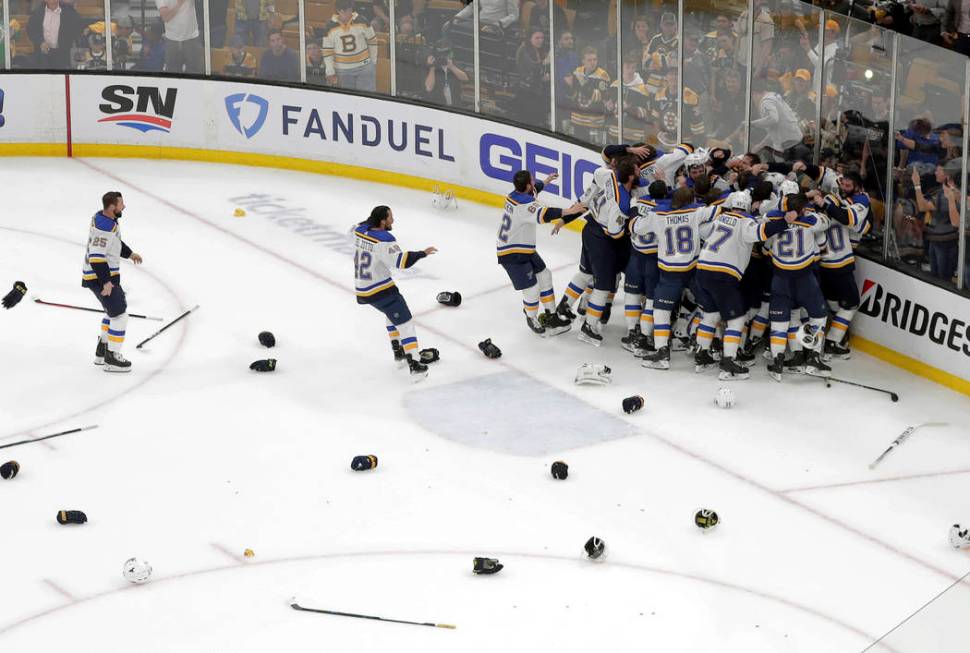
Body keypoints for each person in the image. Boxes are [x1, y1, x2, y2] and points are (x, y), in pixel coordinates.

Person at [695, 191, 793, 379]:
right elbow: (762, 233)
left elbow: (702, 231)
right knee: (737, 320)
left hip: (702, 270)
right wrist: (785, 222)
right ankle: (728, 363)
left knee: (710, 315)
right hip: (723, 275)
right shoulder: (746, 222)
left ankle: (702, 356)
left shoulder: (721, 217)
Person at [633, 185, 718, 369]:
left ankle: (662, 353)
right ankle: (702, 351)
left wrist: (634, 213)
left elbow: (637, 228)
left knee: (661, 311)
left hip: (669, 272)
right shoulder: (697, 211)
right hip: (693, 270)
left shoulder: (658, 215)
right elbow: (719, 210)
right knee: (709, 309)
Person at [353, 206, 438, 380]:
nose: (393, 220)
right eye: (390, 217)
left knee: (391, 314)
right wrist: (422, 253)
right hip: (380, 289)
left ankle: (398, 353)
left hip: (363, 287)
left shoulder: (359, 230)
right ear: (383, 221)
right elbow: (401, 261)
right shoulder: (384, 239)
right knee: (405, 322)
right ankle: (415, 366)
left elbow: (362, 225)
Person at [497, 170, 583, 336]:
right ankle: (531, 317)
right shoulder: (525, 205)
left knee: (544, 275)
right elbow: (546, 213)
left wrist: (546, 181)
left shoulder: (516, 194)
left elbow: (534, 189)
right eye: (532, 180)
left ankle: (551, 316)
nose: (534, 182)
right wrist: (570, 211)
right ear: (527, 185)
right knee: (532, 288)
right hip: (511, 253)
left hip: (523, 248)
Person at [762, 193, 831, 380]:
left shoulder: (773, 220)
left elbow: (765, 248)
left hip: (780, 279)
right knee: (818, 316)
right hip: (804, 278)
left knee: (782, 320)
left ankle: (779, 361)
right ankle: (814, 357)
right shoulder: (812, 221)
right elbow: (825, 224)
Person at [806, 170, 871, 358]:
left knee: (833, 300)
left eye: (848, 186)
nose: (843, 188)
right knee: (851, 303)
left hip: (823, 263)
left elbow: (850, 218)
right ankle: (834, 340)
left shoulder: (817, 213)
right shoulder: (842, 207)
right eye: (842, 184)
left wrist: (819, 200)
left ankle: (836, 336)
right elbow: (856, 222)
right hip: (840, 263)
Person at [576, 158, 639, 347]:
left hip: (592, 229)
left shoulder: (610, 175)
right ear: (629, 176)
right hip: (601, 238)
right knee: (603, 286)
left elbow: (597, 173)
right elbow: (614, 232)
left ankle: (592, 316)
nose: (639, 173)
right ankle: (589, 326)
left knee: (603, 280)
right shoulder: (623, 202)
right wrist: (629, 226)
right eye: (637, 171)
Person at [82, 192, 143, 373]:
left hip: (104, 276)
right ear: (111, 207)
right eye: (121, 204)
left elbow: (114, 243)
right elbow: (96, 257)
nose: (123, 207)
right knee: (120, 316)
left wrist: (130, 253)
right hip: (100, 278)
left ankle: (102, 352)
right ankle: (112, 358)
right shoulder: (104, 227)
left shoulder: (103, 219)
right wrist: (106, 283)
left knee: (112, 313)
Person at [912, 165, 960, 282]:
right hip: (935, 239)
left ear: (947, 175)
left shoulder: (950, 195)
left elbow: (922, 206)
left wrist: (917, 185)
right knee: (935, 277)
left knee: (942, 280)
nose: (935, 173)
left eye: (938, 170)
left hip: (945, 243)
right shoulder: (940, 192)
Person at [322, 0, 378, 90]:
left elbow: (373, 41)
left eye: (349, 10)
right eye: (345, 11)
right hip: (342, 70)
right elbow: (327, 51)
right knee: (345, 100)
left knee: (367, 98)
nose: (348, 13)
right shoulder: (330, 27)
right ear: (339, 11)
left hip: (364, 67)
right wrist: (330, 70)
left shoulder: (362, 21)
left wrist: (373, 61)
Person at [749, 80, 803, 160]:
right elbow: (774, 131)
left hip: (789, 144)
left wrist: (752, 124)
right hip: (795, 140)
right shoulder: (772, 96)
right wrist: (761, 145)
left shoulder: (766, 101)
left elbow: (773, 119)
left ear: (754, 93)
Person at [568, 47, 611, 143]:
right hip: (577, 119)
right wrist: (569, 86)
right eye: (589, 60)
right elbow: (573, 94)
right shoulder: (577, 71)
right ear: (583, 61)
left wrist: (583, 82)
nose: (593, 62)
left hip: (594, 121)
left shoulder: (603, 75)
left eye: (595, 59)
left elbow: (597, 97)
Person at [26, 0, 82, 70]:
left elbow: (78, 28)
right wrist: (40, 42)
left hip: (62, 56)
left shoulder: (69, 12)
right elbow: (31, 31)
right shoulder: (37, 13)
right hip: (42, 55)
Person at [515, 29, 550, 127]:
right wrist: (545, 62)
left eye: (542, 38)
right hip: (526, 89)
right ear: (530, 39)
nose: (540, 40)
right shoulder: (524, 50)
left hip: (536, 88)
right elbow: (532, 67)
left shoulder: (539, 50)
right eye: (537, 38)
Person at [156, 0, 203, 74]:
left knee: (196, 72)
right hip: (172, 39)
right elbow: (165, 17)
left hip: (192, 37)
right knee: (172, 73)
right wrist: (179, 3)